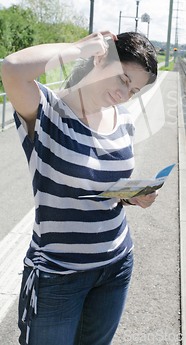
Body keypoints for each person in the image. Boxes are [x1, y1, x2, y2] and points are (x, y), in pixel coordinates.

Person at [1, 30, 158, 345]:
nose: (126, 93)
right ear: (103, 60)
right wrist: (79, 48)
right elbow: (11, 67)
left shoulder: (123, 120)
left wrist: (131, 195)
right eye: (124, 79)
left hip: (115, 266)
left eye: (135, 89)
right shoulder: (47, 112)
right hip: (58, 275)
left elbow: (101, 183)